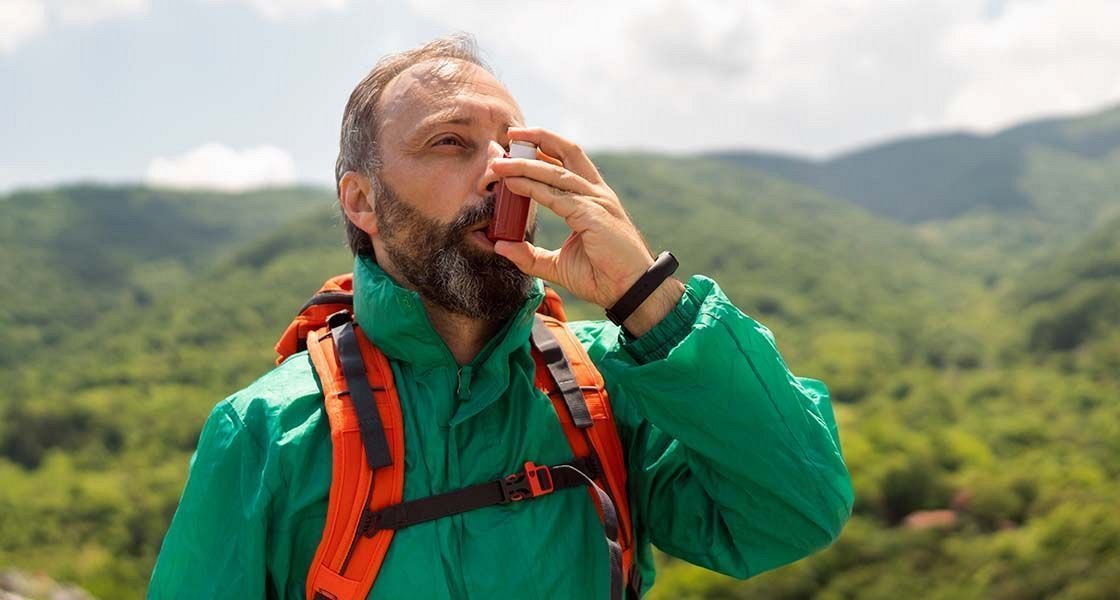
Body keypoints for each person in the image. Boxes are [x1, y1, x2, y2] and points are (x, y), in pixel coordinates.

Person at [147, 34, 853, 599]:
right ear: (361, 202)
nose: (501, 171)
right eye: (450, 142)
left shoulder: (616, 383)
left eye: (514, 148)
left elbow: (795, 514)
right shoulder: (267, 431)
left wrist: (647, 298)